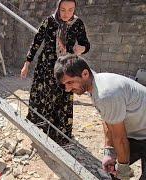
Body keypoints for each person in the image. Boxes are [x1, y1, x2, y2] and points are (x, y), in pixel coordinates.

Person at [54, 54, 146, 180]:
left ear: (85, 73)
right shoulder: (94, 84)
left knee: (122, 170)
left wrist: (123, 169)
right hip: (139, 133)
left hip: (140, 133)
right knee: (116, 172)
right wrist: (109, 151)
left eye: (70, 82)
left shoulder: (106, 93)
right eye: (65, 84)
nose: (67, 89)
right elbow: (107, 119)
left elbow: (120, 137)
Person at [20, 0, 90, 145]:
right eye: (63, 9)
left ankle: (59, 135)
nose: (66, 14)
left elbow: (86, 43)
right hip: (45, 68)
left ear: (75, 9)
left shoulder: (78, 24)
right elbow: (36, 42)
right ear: (58, 7)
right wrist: (27, 64)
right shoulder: (49, 22)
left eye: (71, 10)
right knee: (43, 97)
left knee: (62, 99)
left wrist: (81, 49)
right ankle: (40, 130)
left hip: (66, 70)